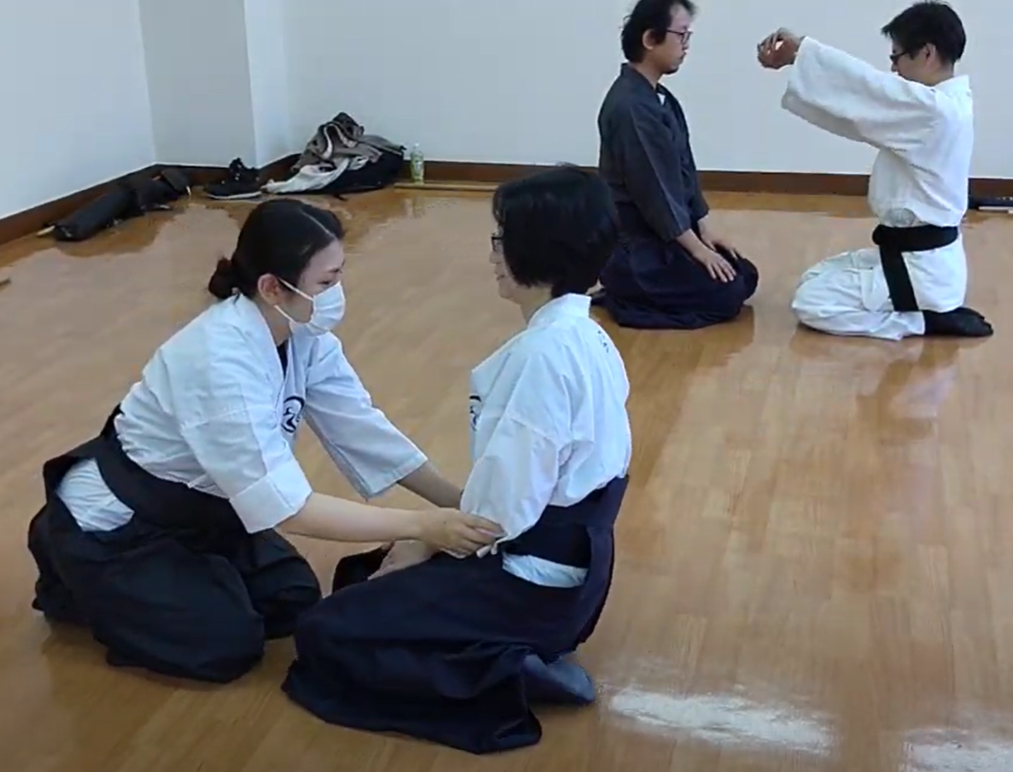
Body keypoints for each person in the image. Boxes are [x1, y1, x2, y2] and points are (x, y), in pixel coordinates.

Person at [26, 198, 502, 684]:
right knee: (224, 645)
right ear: (272, 287)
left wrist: (457, 503)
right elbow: (287, 508)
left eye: (339, 277)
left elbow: (363, 428)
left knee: (291, 600)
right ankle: (75, 577)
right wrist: (422, 526)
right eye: (326, 283)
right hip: (123, 523)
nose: (336, 294)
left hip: (206, 510)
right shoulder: (218, 361)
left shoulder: (304, 335)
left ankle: (184, 578)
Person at [281, 166, 633, 755]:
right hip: (574, 583)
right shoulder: (588, 337)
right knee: (362, 576)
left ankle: (503, 671)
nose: (493, 254)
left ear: (535, 250)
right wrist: (424, 534)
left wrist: (425, 541)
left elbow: (502, 514)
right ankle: (512, 650)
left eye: (501, 239)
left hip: (529, 589)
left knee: (324, 632)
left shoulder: (542, 359)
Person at [758, 2, 992, 339]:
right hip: (917, 259)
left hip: (921, 270)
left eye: (897, 57)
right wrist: (802, 55)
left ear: (927, 53)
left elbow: (869, 87)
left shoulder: (935, 111)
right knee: (815, 277)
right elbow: (871, 97)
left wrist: (802, 52)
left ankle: (923, 321)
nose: (893, 68)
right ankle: (928, 309)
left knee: (812, 302)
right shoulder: (944, 103)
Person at [592, 0, 759, 330]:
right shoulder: (631, 108)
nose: (686, 46)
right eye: (681, 35)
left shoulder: (661, 99)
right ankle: (622, 295)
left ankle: (646, 289)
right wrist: (696, 250)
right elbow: (654, 192)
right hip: (635, 249)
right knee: (727, 294)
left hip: (664, 237)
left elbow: (685, 173)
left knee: (744, 274)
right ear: (650, 39)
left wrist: (705, 232)